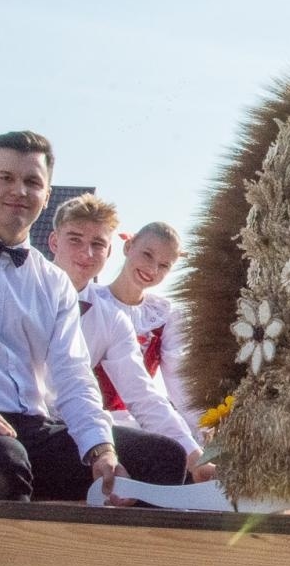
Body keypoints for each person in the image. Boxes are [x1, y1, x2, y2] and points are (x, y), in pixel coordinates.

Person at [0, 131, 189, 502]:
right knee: (4, 461)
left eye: (32, 182)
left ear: (46, 195)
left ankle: (110, 560)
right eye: (6, 178)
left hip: (34, 428)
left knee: (162, 458)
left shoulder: (54, 282)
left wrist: (101, 449)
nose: (19, 191)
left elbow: (73, 375)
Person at [46, 196, 209, 466]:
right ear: (128, 247)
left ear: (108, 251)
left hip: (95, 424)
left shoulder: (113, 318)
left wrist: (194, 451)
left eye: (97, 244)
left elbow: (147, 392)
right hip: (25, 419)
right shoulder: (21, 289)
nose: (87, 253)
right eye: (75, 240)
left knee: (168, 457)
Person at [102, 221, 203, 441]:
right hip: (90, 418)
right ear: (128, 247)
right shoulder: (89, 300)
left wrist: (205, 424)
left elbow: (179, 378)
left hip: (140, 420)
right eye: (147, 255)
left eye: (164, 265)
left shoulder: (162, 316)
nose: (153, 269)